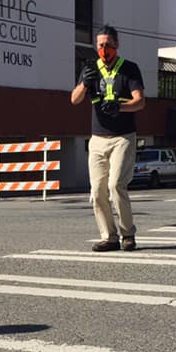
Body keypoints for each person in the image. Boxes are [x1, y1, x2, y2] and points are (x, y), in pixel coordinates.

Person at [71, 25, 145, 251]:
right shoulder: (90, 68)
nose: (104, 49)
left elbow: (140, 101)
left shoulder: (129, 69)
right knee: (97, 190)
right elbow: (74, 100)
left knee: (115, 185)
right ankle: (109, 237)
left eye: (109, 45)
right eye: (101, 45)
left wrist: (120, 107)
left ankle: (128, 234)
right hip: (97, 139)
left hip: (122, 137)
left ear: (117, 45)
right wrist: (84, 83)